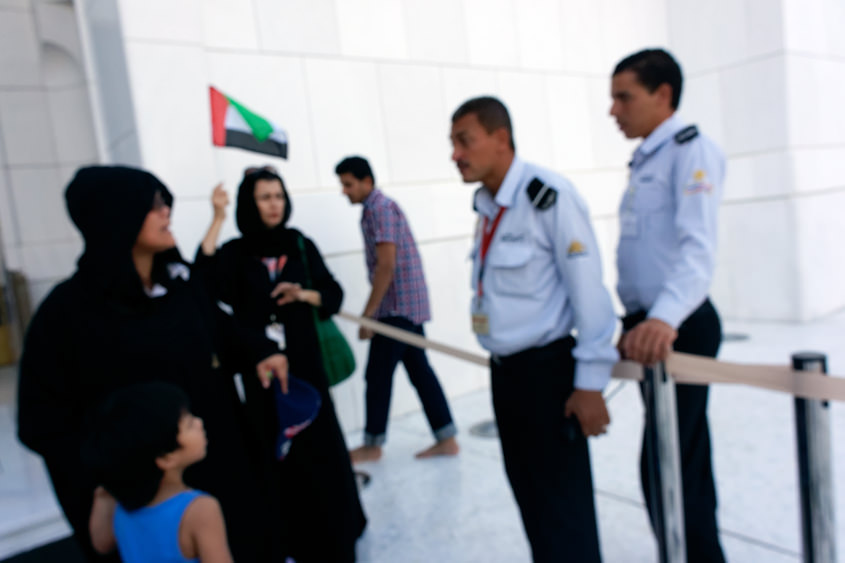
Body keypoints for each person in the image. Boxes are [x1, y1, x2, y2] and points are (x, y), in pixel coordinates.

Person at [17, 166, 288, 562]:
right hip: (149, 509)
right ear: (116, 218)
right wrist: (114, 480)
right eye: (154, 205)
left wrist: (262, 350)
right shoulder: (66, 315)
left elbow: (221, 331)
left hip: (223, 475)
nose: (167, 213)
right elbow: (42, 423)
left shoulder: (180, 284)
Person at [449, 96, 618, 562]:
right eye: (452, 144)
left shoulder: (548, 197)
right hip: (506, 375)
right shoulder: (487, 205)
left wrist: (589, 385)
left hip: (549, 376)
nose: (455, 155)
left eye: (465, 141)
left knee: (563, 509)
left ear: (500, 139)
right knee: (532, 500)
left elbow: (590, 297)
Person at [198, 166, 366, 563]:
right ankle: (288, 537)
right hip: (263, 374)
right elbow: (201, 285)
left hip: (307, 370)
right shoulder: (236, 254)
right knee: (275, 454)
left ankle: (340, 527)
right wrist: (217, 218)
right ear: (249, 204)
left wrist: (304, 294)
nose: (274, 204)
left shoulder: (300, 244)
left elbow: (334, 295)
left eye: (278, 195)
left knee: (321, 452)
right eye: (264, 197)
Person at [610, 48, 726, 562]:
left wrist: (661, 317)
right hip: (648, 325)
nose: (613, 110)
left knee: (670, 464)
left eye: (623, 97)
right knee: (678, 459)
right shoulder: (647, 157)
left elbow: (697, 249)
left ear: (663, 95)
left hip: (676, 326)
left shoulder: (690, 151)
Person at [335, 156, 459, 463]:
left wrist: (369, 316)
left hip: (397, 309)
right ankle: (447, 438)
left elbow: (386, 265)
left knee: (377, 376)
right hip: (404, 305)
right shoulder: (376, 209)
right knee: (420, 371)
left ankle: (372, 445)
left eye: (348, 184)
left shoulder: (379, 209)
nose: (344, 191)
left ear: (367, 182)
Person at [86, 382, 233, 563]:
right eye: (188, 424)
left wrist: (104, 493)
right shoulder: (200, 510)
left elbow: (101, 543)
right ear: (165, 458)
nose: (199, 422)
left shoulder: (117, 504)